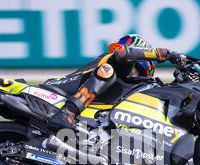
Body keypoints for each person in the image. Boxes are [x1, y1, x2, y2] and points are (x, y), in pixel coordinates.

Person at [46, 34, 186, 131]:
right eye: (134, 69)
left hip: (88, 115)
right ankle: (68, 112)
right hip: (54, 92)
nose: (132, 74)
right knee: (108, 71)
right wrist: (166, 54)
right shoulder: (113, 60)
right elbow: (123, 53)